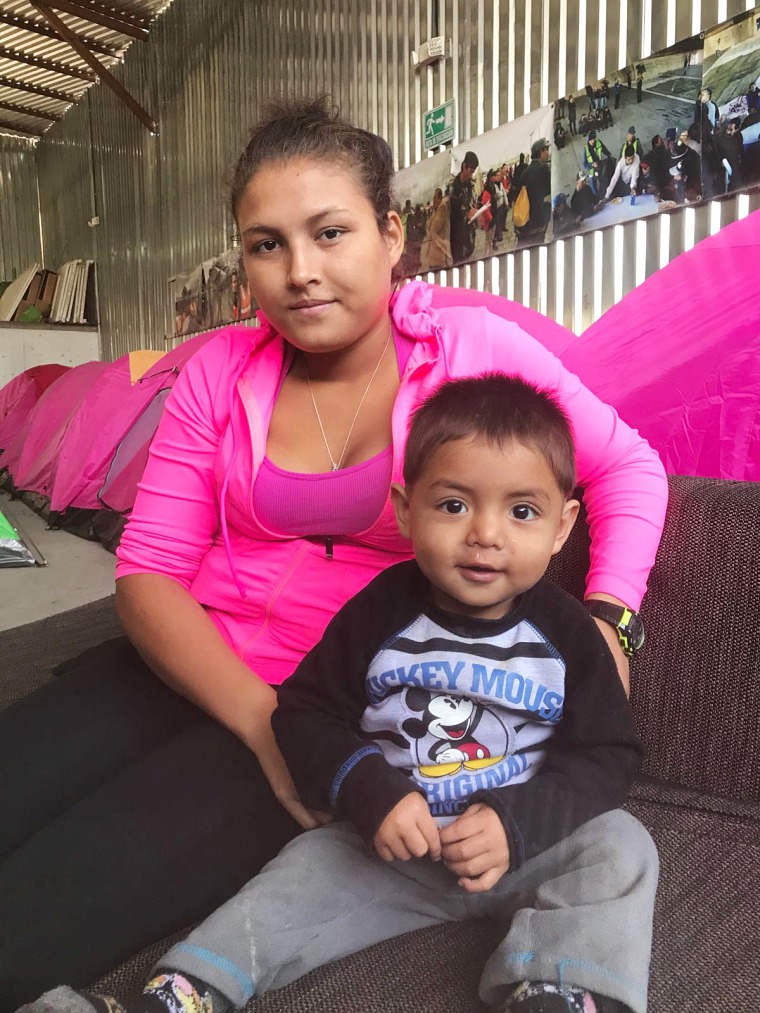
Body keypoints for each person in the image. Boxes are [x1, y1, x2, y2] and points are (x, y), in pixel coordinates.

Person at [0, 96, 668, 1009]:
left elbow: (629, 465)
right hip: (191, 665)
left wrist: (609, 622)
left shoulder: (471, 352)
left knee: (31, 926)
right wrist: (255, 718)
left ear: (391, 235)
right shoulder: (218, 370)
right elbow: (150, 569)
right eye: (266, 243)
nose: (299, 273)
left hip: (337, 701)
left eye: (330, 232)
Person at [29, 375, 659, 1013]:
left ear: (562, 525)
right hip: (390, 847)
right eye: (454, 505)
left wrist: (518, 822)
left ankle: (561, 991)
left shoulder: (571, 635)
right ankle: (183, 994)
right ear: (407, 508)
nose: (485, 535)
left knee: (621, 846)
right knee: (300, 867)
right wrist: (370, 792)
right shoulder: (378, 612)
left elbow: (609, 753)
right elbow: (304, 714)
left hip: (526, 844)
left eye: (521, 511)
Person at [515, 138, 552, 248]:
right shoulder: (544, 169)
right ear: (541, 151)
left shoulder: (525, 172)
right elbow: (549, 191)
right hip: (539, 222)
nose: (548, 153)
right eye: (547, 150)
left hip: (526, 223)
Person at [449, 149, 479, 264]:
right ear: (464, 166)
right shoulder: (454, 187)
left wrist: (475, 211)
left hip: (469, 235)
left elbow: (472, 202)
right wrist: (466, 215)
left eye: (474, 171)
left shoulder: (470, 185)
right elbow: (451, 216)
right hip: (457, 239)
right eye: (471, 171)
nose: (472, 174)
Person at [419, 187, 452, 270]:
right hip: (433, 252)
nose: (433, 200)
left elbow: (434, 227)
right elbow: (428, 224)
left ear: (439, 198)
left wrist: (430, 225)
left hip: (439, 250)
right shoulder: (435, 210)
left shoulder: (442, 208)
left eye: (435, 197)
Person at [582, 130, 612, 195]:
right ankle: (596, 196)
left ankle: (604, 193)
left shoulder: (598, 142)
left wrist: (609, 157)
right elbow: (585, 164)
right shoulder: (586, 149)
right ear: (588, 140)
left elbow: (605, 151)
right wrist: (592, 164)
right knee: (593, 184)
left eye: (594, 139)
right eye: (591, 140)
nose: (593, 141)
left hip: (600, 166)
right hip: (592, 169)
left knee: (603, 181)